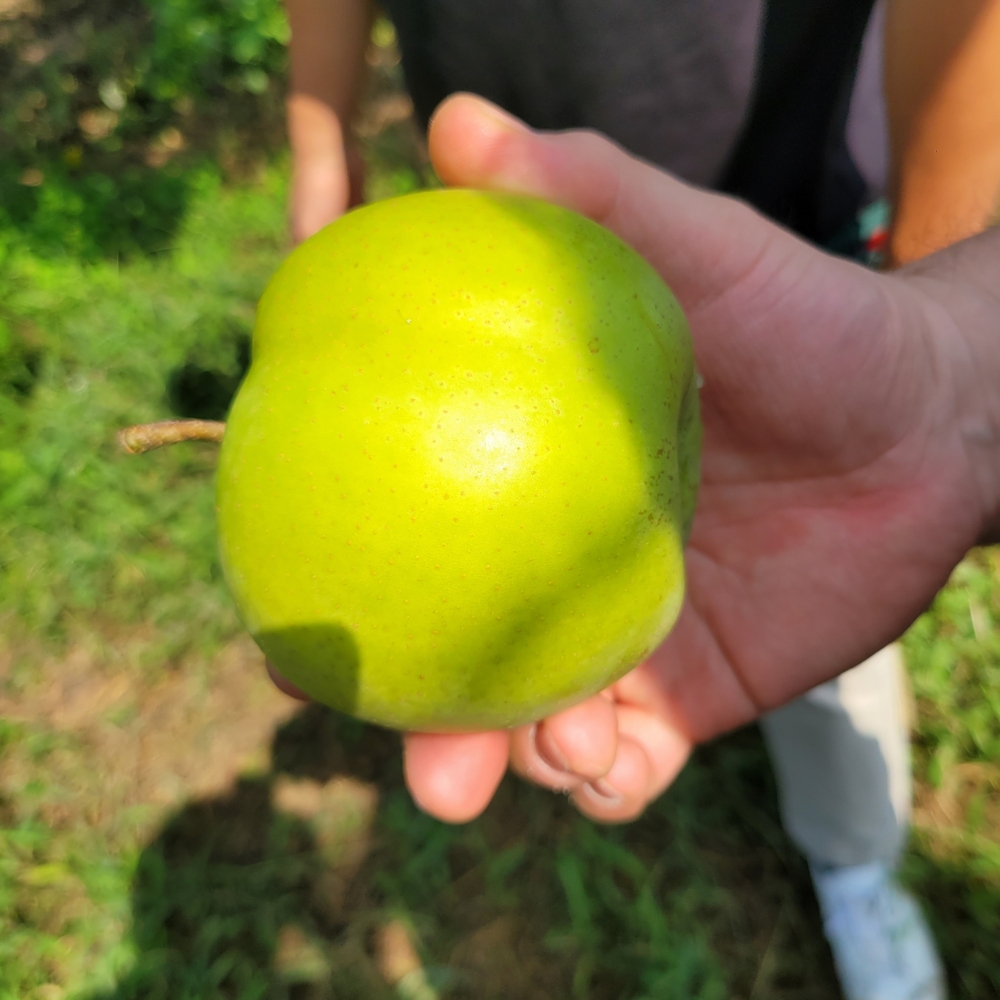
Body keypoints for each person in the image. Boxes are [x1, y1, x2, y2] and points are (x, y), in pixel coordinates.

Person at [278, 4, 1000, 997]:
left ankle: (856, 861)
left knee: (837, 636)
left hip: (788, 205)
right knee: (817, 571)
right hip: (504, 253)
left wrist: (933, 305)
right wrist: (320, 131)